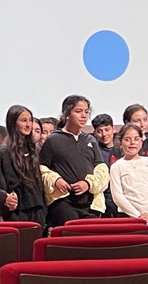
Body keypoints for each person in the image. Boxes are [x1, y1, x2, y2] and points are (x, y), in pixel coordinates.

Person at [39, 95, 109, 227]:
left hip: (90, 204)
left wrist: (88, 183)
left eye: (86, 112)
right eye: (78, 111)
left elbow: (101, 168)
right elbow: (42, 168)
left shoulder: (90, 140)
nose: (84, 116)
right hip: (64, 203)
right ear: (67, 113)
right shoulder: (53, 139)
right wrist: (56, 180)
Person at [109, 124, 148, 251]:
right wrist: (137, 217)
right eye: (127, 139)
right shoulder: (117, 166)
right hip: (128, 217)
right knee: (132, 256)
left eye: (136, 139)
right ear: (120, 142)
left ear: (141, 141)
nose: (132, 143)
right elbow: (117, 196)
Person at [0, 104, 47, 232]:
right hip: (19, 211)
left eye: (30, 120)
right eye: (23, 120)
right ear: (13, 123)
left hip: (38, 207)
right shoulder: (5, 150)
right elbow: (11, 182)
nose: (28, 125)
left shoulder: (33, 148)